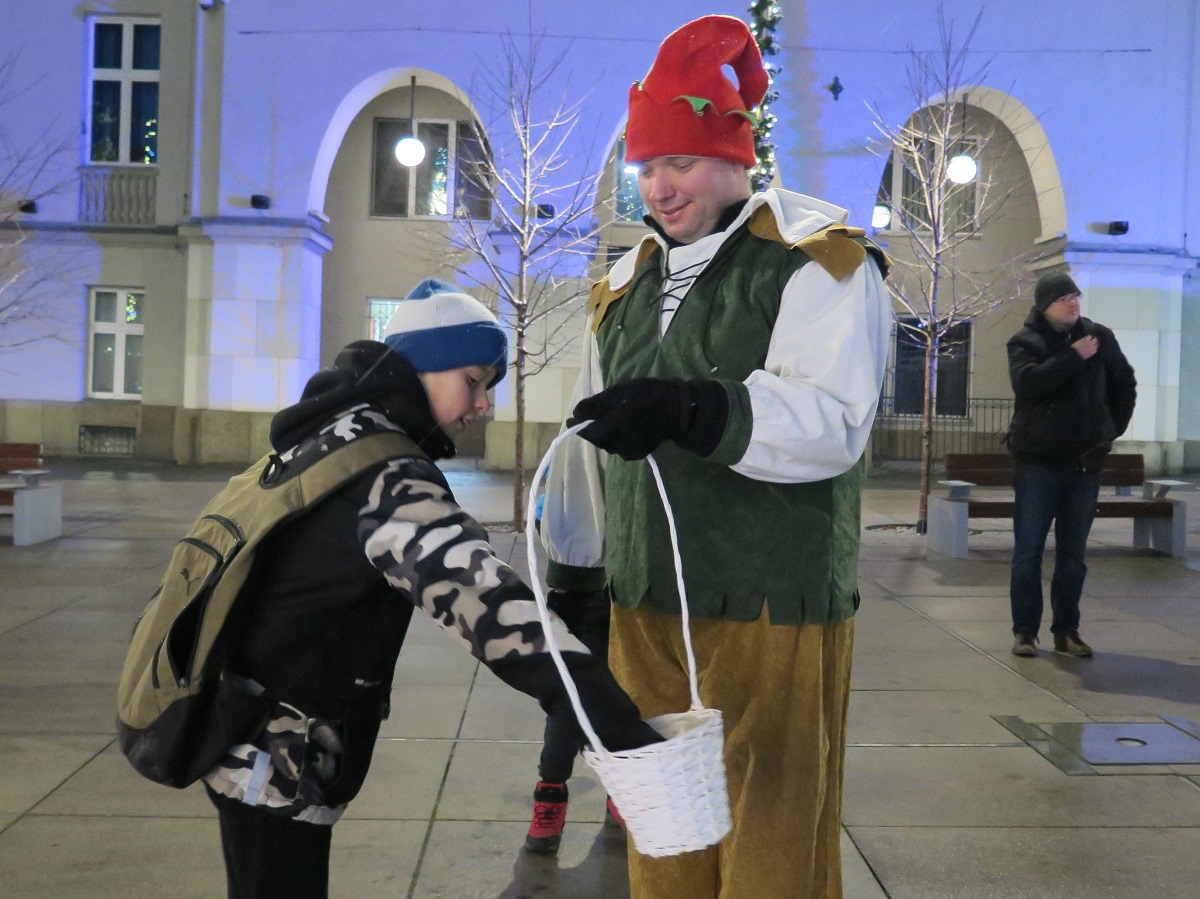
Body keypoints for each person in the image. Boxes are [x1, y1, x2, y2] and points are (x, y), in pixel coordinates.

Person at [540, 15, 891, 899]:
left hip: (768, 602)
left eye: (681, 162)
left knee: (772, 835)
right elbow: (587, 446)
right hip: (643, 606)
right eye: (646, 166)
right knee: (664, 839)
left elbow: (832, 419)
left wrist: (693, 408)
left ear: (736, 158)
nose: (659, 187)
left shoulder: (816, 263)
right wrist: (577, 576)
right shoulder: (622, 291)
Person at [200, 278, 661, 899]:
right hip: (276, 754)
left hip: (255, 732)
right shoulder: (383, 474)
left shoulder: (338, 432)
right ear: (423, 367)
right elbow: (493, 610)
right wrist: (610, 718)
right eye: (474, 380)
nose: (484, 404)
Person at [1006, 271, 1137, 658]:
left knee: (1073, 555)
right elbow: (1028, 385)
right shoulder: (1025, 341)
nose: (1073, 303)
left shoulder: (1100, 338)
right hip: (1038, 464)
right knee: (1028, 552)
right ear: (1045, 306)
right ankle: (1025, 632)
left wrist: (1108, 430)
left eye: (1075, 296)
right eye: (1064, 298)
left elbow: (1124, 384)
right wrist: (1072, 356)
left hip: (1084, 464)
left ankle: (1067, 630)